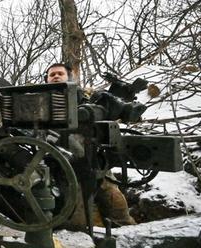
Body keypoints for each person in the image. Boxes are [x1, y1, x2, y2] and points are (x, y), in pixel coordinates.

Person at [44, 62, 137, 229]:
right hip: (66, 167)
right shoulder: (40, 102)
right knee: (77, 220)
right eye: (52, 75)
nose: (56, 76)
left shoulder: (85, 98)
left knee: (117, 206)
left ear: (70, 78)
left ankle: (129, 238)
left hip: (96, 160)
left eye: (60, 73)